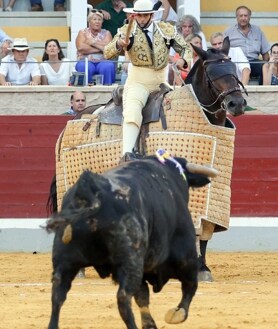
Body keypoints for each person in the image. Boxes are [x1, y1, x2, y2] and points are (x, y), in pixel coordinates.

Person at [103, 0, 192, 159]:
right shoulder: (126, 30)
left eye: (145, 16)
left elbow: (185, 48)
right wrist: (119, 43)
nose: (142, 19)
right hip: (138, 82)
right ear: (134, 15)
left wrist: (183, 60)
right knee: (132, 110)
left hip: (162, 83)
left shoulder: (166, 29)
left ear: (151, 15)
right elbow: (107, 52)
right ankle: (127, 153)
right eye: (139, 16)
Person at [224, 5, 270, 85]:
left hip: (253, 62)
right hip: (237, 62)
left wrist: (267, 64)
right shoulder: (229, 32)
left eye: (245, 15)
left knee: (265, 67)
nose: (243, 18)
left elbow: (265, 54)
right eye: (240, 16)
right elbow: (223, 51)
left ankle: (263, 92)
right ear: (237, 17)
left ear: (249, 17)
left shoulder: (257, 31)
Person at [75, 10, 115, 85]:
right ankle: (84, 93)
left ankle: (107, 92)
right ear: (89, 21)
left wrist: (93, 43)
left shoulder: (107, 33)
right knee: (84, 66)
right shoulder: (82, 32)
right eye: (94, 19)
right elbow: (81, 48)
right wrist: (101, 49)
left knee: (108, 66)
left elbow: (109, 49)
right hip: (86, 60)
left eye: (99, 19)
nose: (97, 22)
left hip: (103, 61)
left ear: (102, 22)